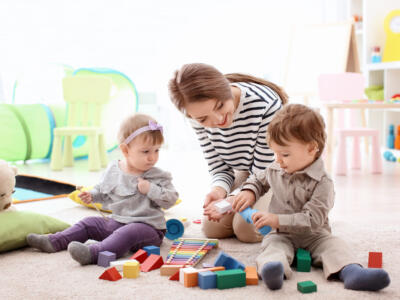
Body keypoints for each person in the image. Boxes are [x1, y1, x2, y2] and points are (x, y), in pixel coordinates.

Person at [230, 104, 390, 291]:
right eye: (275, 153)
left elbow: (313, 219)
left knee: (335, 246)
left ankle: (352, 272)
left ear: (312, 149)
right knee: (272, 247)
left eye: (285, 154)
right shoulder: (276, 168)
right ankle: (273, 271)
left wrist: (277, 220)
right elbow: (258, 180)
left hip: (315, 235)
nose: (278, 160)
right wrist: (249, 191)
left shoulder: (323, 182)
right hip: (281, 235)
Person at [27, 114, 179, 265]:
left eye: (157, 150)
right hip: (117, 222)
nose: (152, 157)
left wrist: (150, 189)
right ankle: (55, 241)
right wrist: (92, 196)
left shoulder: (157, 175)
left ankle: (93, 253)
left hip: (148, 229)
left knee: (129, 232)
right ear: (125, 150)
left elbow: (171, 199)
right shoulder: (114, 169)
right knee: (89, 223)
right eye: (146, 151)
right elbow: (102, 191)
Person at [169, 63, 288, 242]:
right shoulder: (196, 118)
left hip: (277, 172)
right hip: (249, 171)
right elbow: (219, 167)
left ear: (226, 89)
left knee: (247, 230)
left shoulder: (265, 103)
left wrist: (233, 199)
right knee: (213, 228)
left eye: (219, 105)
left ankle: (292, 210)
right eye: (203, 119)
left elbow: (265, 169)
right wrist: (219, 190)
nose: (218, 120)